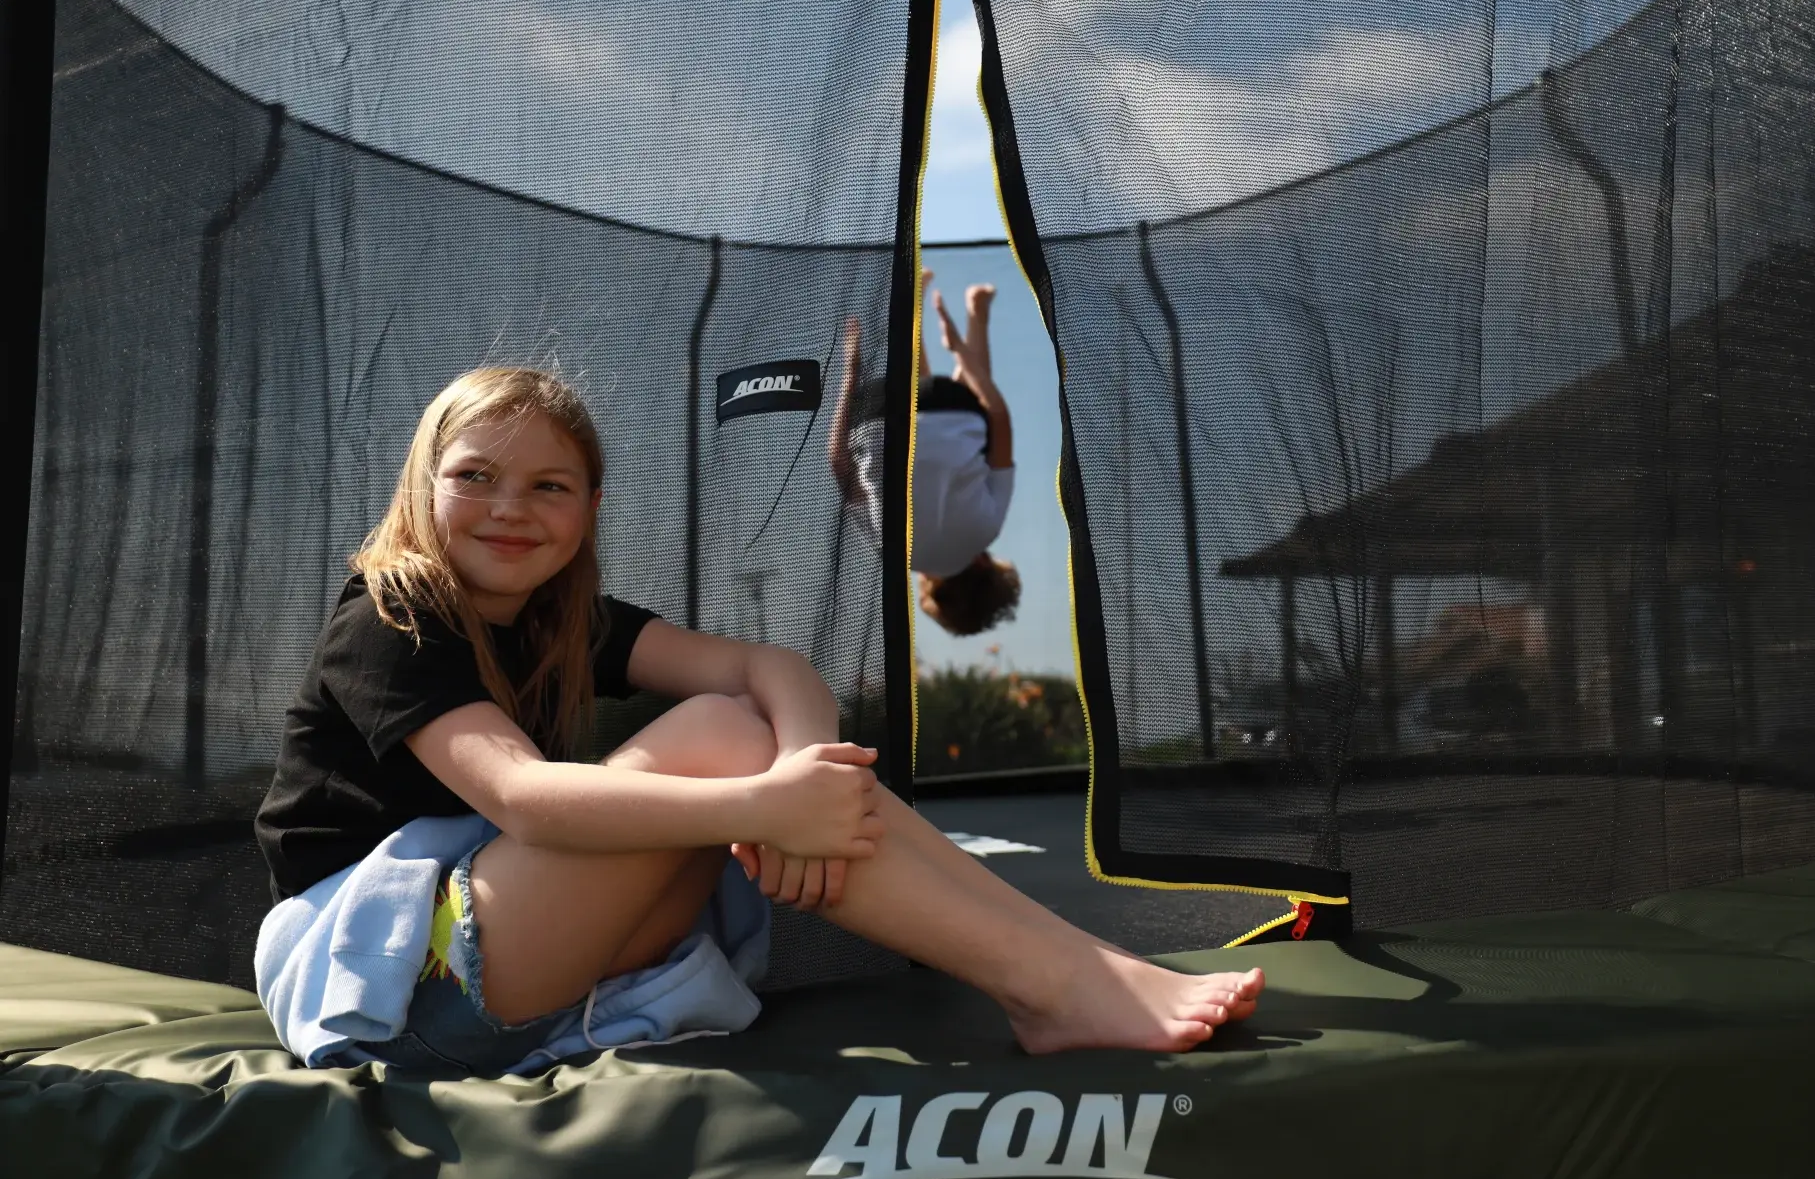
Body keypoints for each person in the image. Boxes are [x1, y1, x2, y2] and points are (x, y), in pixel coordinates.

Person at [252, 366, 1261, 1078]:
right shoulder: (390, 614)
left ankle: (1068, 968)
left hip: (523, 976)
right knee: (723, 739)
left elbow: (766, 664)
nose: (510, 506)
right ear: (424, 486)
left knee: (742, 718)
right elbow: (526, 803)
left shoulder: (562, 622)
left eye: (548, 486)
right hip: (391, 995)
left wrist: (800, 776)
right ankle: (1050, 985)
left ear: (589, 507)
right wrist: (769, 798)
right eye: (474, 474)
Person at [828, 271, 1021, 636]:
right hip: (875, 414)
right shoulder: (892, 550)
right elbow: (838, 461)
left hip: (951, 407)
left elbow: (999, 418)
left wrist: (961, 353)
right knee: (918, 427)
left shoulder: (987, 528)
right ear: (932, 589)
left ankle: (974, 312)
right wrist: (851, 370)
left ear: (984, 566)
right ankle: (919, 308)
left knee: (966, 416)